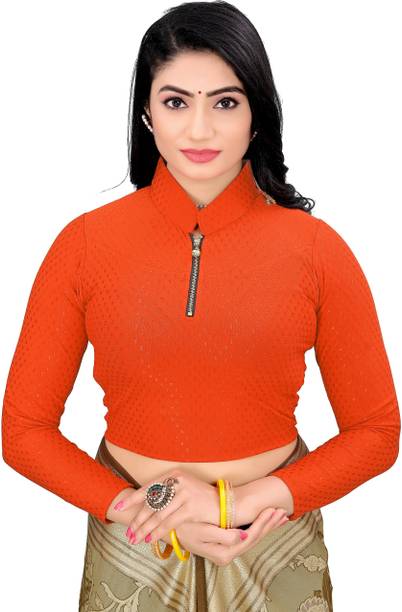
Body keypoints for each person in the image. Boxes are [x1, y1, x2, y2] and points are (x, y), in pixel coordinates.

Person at [2, 2, 400, 610]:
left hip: (269, 538)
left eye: (225, 102)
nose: (199, 130)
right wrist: (144, 509)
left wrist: (236, 503)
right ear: (146, 113)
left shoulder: (317, 250)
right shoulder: (84, 245)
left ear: (257, 113)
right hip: (133, 542)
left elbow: (377, 432)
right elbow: (23, 431)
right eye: (176, 102)